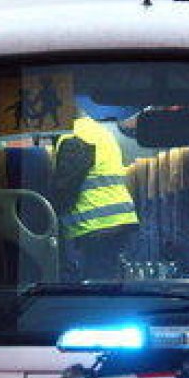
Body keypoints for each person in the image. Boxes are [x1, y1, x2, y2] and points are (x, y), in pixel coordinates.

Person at [52, 106, 140, 279]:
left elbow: (66, 185)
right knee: (109, 278)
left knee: (96, 282)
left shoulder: (74, 136)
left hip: (96, 224)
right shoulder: (99, 131)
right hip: (117, 218)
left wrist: (53, 211)